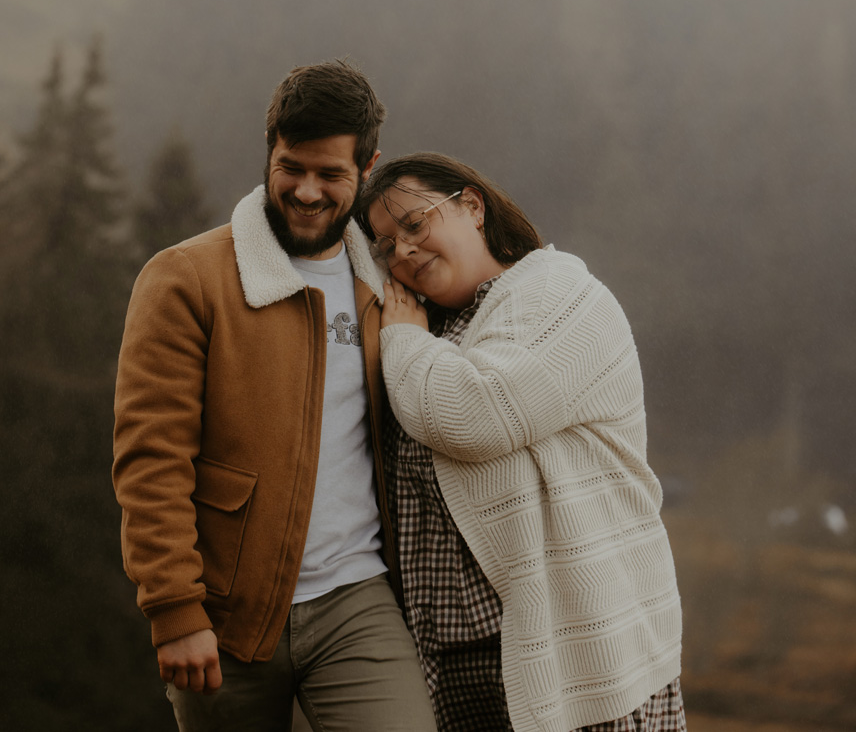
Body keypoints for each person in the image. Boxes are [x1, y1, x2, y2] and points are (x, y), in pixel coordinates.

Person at [112, 61, 437, 732]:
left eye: (330, 173)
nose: (308, 190)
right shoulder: (185, 279)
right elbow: (152, 459)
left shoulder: (388, 284)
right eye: (291, 167)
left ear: (366, 167)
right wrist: (174, 609)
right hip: (226, 614)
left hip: (358, 599)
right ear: (269, 150)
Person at [356, 152, 684, 732]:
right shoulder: (430, 327)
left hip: (576, 657)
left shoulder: (562, 296)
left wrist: (403, 342)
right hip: (449, 665)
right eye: (384, 245)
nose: (402, 251)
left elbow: (477, 413)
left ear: (472, 206)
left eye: (414, 223)